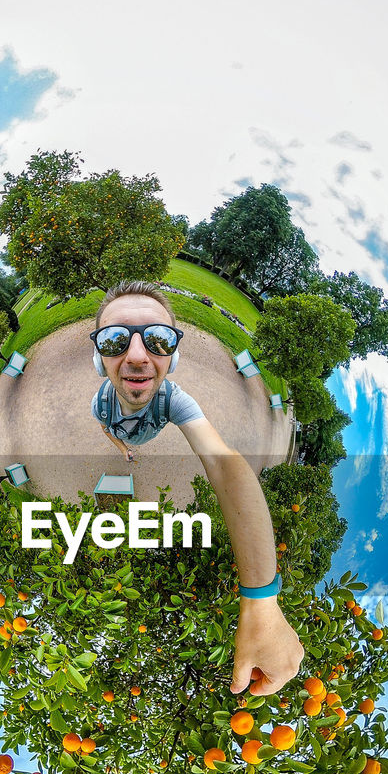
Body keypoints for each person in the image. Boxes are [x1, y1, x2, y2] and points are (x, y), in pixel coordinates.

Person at [89, 279, 304, 697]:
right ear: (100, 359)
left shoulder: (175, 400)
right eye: (115, 340)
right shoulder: (100, 401)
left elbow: (226, 468)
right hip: (128, 438)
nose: (136, 355)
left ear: (173, 355)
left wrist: (261, 602)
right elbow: (104, 427)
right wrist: (123, 449)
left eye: (157, 339)